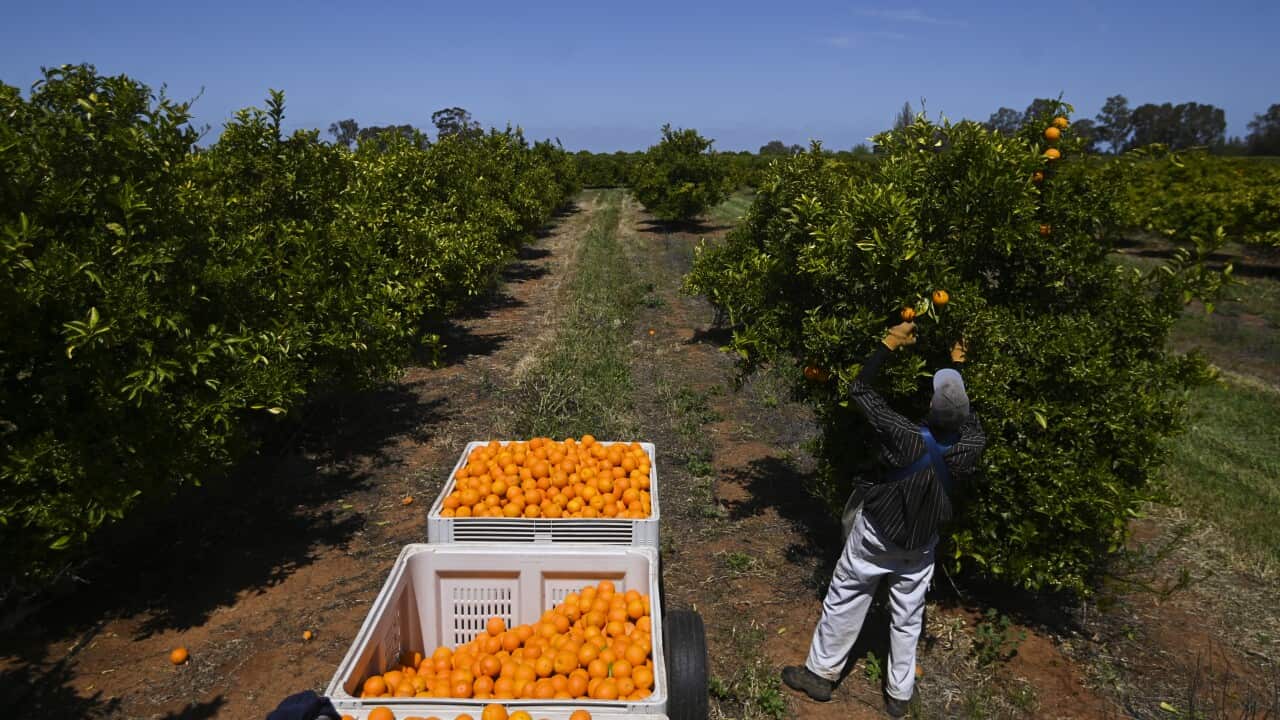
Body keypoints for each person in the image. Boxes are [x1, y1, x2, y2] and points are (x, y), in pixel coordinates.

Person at [781, 321, 986, 717]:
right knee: (908, 618)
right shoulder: (973, 445)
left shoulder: (903, 435)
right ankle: (899, 694)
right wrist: (958, 367)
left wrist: (888, 344)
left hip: (876, 536)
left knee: (847, 597)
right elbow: (968, 418)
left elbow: (860, 391)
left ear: (929, 407)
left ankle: (820, 676)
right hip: (919, 547)